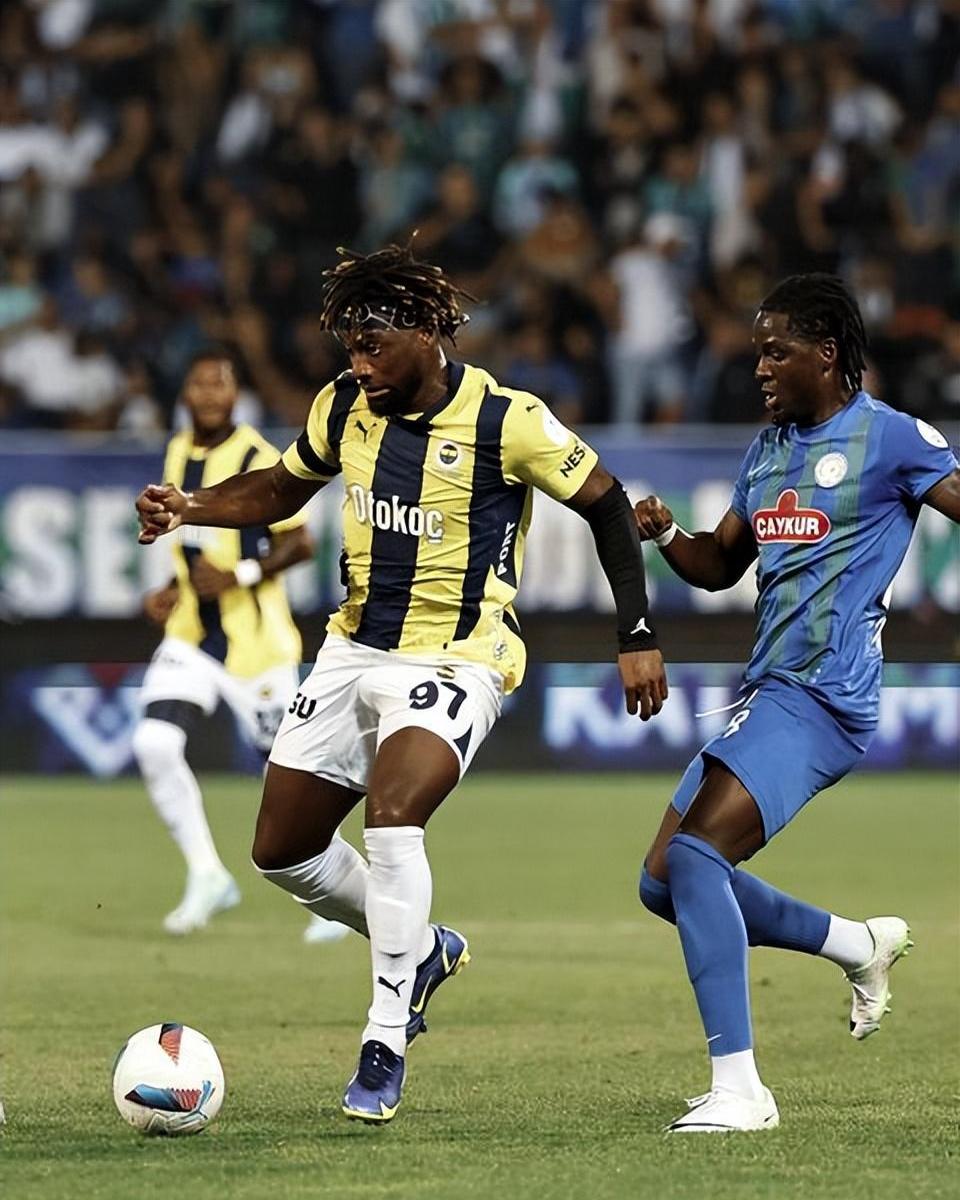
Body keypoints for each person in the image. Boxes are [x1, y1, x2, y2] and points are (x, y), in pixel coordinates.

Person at [136, 243, 668, 1124]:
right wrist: (192, 507)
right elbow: (281, 487)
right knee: (281, 852)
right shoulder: (345, 404)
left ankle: (384, 1039)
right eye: (350, 347)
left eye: (373, 344)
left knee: (392, 816)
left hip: (460, 654)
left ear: (426, 332)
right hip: (353, 648)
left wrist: (636, 633)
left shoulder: (507, 419)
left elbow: (607, 503)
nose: (358, 364)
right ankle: (419, 950)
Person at [633, 273, 960, 1133]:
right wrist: (668, 535)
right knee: (663, 882)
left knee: (697, 858)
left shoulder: (891, 439)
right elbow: (718, 566)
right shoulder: (768, 450)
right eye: (757, 354)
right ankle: (858, 943)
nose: (761, 369)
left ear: (828, 351)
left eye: (776, 352)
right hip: (770, 687)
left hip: (826, 694)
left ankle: (741, 1090)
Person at [133, 347, 346, 946]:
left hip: (258, 648)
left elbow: (301, 543)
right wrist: (171, 588)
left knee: (290, 782)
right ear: (185, 394)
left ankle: (330, 893)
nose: (208, 394)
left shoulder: (257, 455)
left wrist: (241, 576)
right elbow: (194, 545)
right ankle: (207, 874)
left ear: (235, 395)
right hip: (193, 639)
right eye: (199, 383)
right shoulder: (178, 450)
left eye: (219, 384)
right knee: (153, 742)